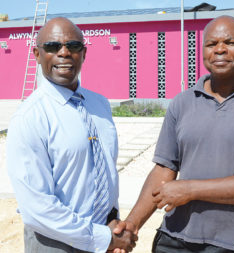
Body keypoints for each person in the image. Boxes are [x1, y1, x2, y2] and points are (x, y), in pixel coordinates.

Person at [114, 15, 234, 253]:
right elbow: (163, 170)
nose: (220, 50)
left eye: (230, 42)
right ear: (203, 50)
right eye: (211, 44)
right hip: (175, 240)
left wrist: (189, 189)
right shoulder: (182, 102)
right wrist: (131, 226)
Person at [7, 17, 136, 253]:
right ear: (37, 54)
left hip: (104, 233)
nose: (64, 53)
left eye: (73, 46)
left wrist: (112, 222)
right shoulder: (30, 118)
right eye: (53, 47)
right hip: (56, 243)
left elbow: (105, 170)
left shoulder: (100, 105)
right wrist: (101, 238)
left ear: (84, 53)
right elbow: (37, 207)